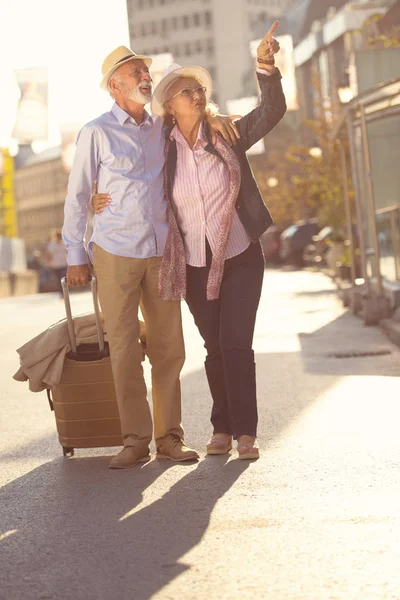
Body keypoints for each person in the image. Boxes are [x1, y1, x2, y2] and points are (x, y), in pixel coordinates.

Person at [92, 23, 286, 460]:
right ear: (169, 105)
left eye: (198, 90)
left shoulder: (227, 134)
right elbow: (130, 172)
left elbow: (271, 111)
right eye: (185, 92)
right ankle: (221, 426)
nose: (196, 96)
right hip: (195, 262)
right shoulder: (163, 147)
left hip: (239, 254)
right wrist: (93, 195)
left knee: (236, 342)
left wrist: (267, 66)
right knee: (213, 346)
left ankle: (246, 433)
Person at [62, 46, 239, 469]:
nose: (145, 77)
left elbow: (194, 113)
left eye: (144, 70)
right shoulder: (96, 132)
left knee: (169, 348)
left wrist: (216, 116)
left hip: (163, 251)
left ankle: (169, 438)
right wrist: (74, 251)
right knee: (123, 348)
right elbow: (80, 193)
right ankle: (134, 440)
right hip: (113, 251)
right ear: (114, 85)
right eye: (135, 72)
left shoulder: (162, 126)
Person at [44, 229, 68, 297]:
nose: (59, 237)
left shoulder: (64, 244)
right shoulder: (51, 244)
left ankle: (65, 291)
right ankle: (61, 292)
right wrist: (48, 263)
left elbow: (68, 253)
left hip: (63, 264)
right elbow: (48, 254)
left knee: (63, 278)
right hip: (55, 265)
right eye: (58, 236)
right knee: (58, 280)